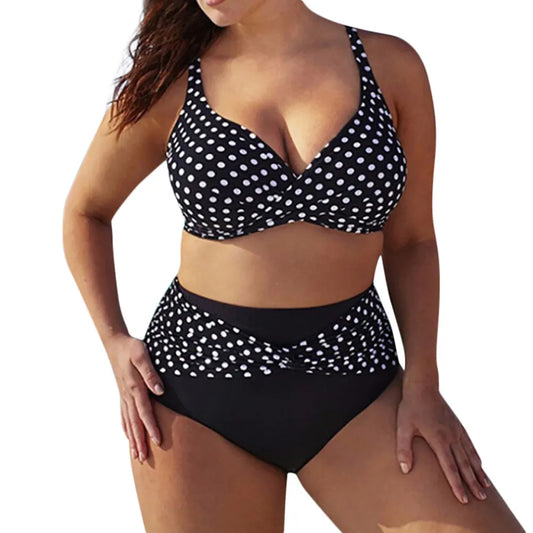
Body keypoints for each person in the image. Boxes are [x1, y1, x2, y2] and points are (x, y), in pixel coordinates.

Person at [63, 0, 526, 531]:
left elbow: (412, 241)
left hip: (356, 379)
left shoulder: (391, 66)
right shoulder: (172, 79)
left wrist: (424, 380)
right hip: (197, 390)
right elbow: (85, 211)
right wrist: (113, 340)